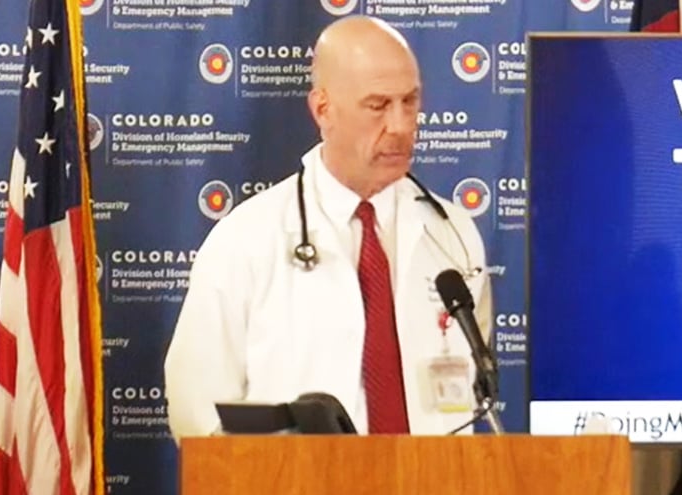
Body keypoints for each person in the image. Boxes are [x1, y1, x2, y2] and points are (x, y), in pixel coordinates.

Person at [164, 16, 494, 438]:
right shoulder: (245, 240)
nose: (400, 125)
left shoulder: (454, 235)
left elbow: (474, 389)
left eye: (410, 101)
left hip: (433, 472)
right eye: (378, 105)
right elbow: (197, 416)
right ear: (323, 109)